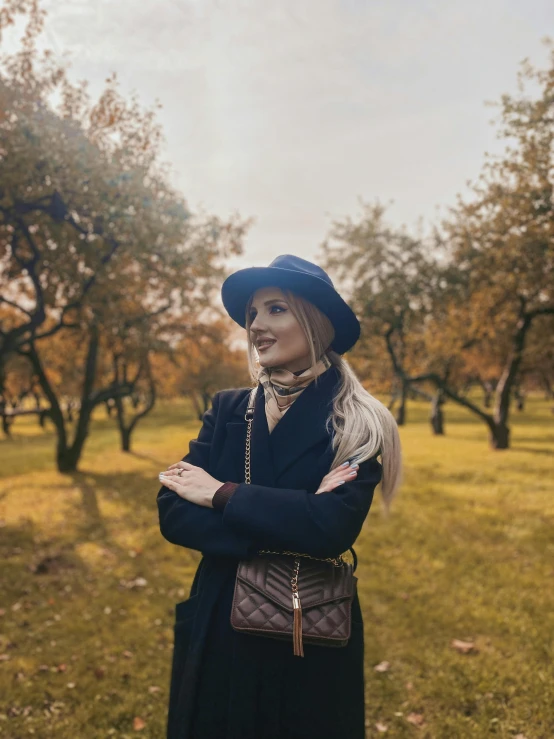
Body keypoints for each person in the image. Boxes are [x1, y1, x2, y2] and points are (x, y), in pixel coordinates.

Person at [157, 254, 402, 739]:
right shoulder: (227, 409)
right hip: (220, 621)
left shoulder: (359, 424)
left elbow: (331, 529)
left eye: (274, 310)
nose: (254, 326)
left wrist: (220, 493)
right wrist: (294, 515)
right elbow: (172, 512)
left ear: (316, 322)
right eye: (252, 314)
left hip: (306, 628)